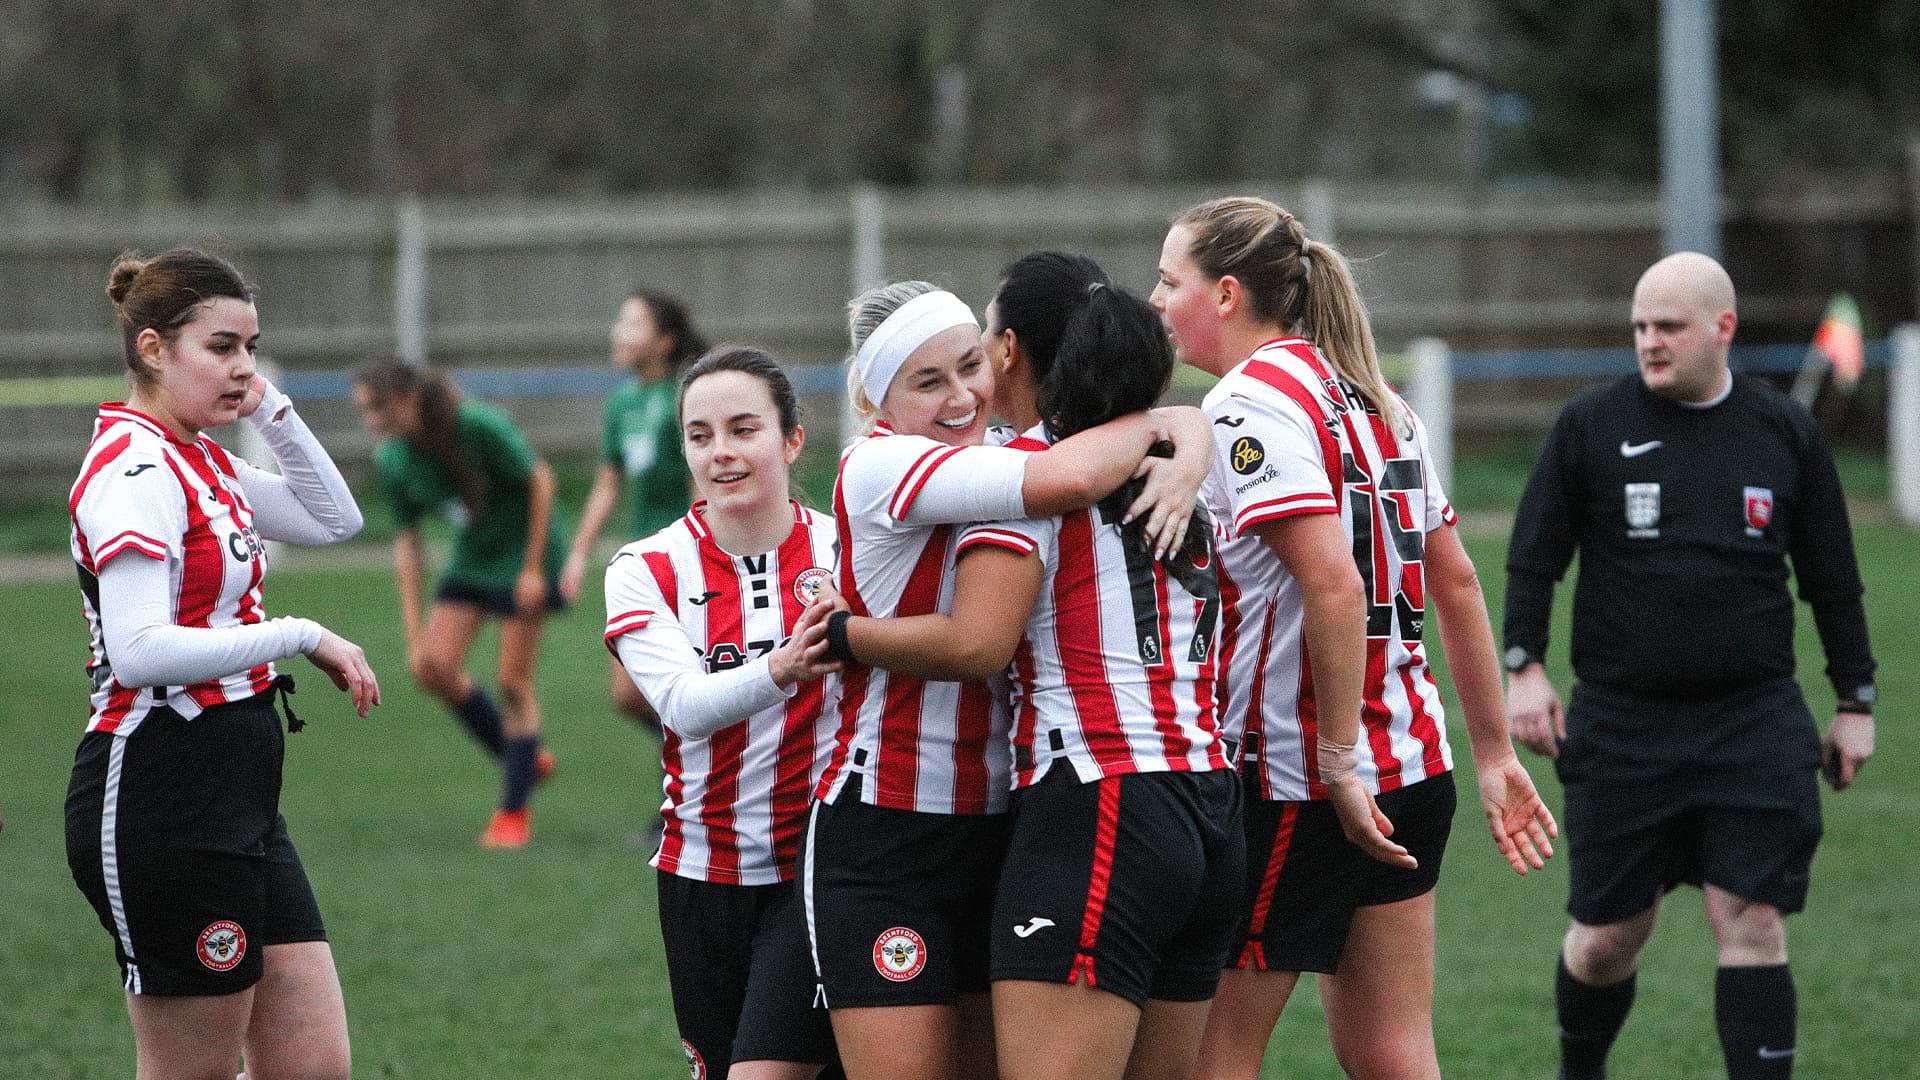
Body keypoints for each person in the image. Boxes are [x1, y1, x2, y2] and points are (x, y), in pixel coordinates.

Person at [1149, 196, 1556, 1080]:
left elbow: (1333, 586)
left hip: (1302, 780)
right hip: (1412, 765)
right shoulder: (1377, 399)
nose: (1154, 299)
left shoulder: (1245, 406)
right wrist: (1490, 752)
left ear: (1224, 294)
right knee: (1393, 1053)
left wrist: (1335, 761)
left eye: (1168, 279)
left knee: (1212, 1054)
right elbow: (1455, 578)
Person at [825, 253, 1243, 1080]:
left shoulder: (1019, 478)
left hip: (1102, 797)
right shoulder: (1175, 460)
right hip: (1210, 807)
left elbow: (979, 642)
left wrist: (844, 635)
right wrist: (1187, 427)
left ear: (1009, 351)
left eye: (979, 345)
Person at [1503, 251, 1877, 1080]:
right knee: (1608, 939)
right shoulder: (1591, 427)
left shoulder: (1784, 431)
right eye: (1640, 326)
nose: (1649, 342)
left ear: (1723, 328)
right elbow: (1534, 560)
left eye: (1668, 327)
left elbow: (1834, 581)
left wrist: (1856, 698)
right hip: (1621, 721)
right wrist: (1523, 664)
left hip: (1753, 719)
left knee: (1751, 921)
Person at [64, 248, 378, 1080]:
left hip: (242, 799)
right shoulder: (135, 470)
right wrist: (300, 633)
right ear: (153, 350)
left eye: (250, 346)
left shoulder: (199, 459)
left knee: (312, 1067)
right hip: (162, 797)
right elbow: (139, 653)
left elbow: (332, 517)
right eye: (222, 348)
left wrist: (267, 405)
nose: (241, 366)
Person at [604, 345, 844, 1080]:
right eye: (701, 435)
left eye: (745, 429)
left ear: (792, 439)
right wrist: (782, 667)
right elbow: (680, 705)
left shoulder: (847, 550)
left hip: (818, 870)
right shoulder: (646, 568)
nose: (722, 453)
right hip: (699, 876)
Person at [352, 356, 570, 849]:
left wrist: (534, 570)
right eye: (364, 411)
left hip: (523, 556)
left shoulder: (476, 424)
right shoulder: (394, 458)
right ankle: (525, 759)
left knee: (514, 683)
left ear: (409, 399)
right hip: (473, 558)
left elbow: (540, 480)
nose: (371, 422)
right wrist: (413, 631)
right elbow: (407, 543)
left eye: (378, 408)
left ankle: (513, 814)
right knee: (431, 665)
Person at [564, 289, 709, 746]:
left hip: (685, 556)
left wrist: (704, 548)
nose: (618, 333)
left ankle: (703, 779)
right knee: (628, 695)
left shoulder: (684, 398)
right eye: (619, 322)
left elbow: (700, 484)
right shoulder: (622, 403)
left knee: (684, 684)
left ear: (665, 341)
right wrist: (578, 553)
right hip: (642, 560)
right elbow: (609, 483)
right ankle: (696, 763)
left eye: (632, 323)